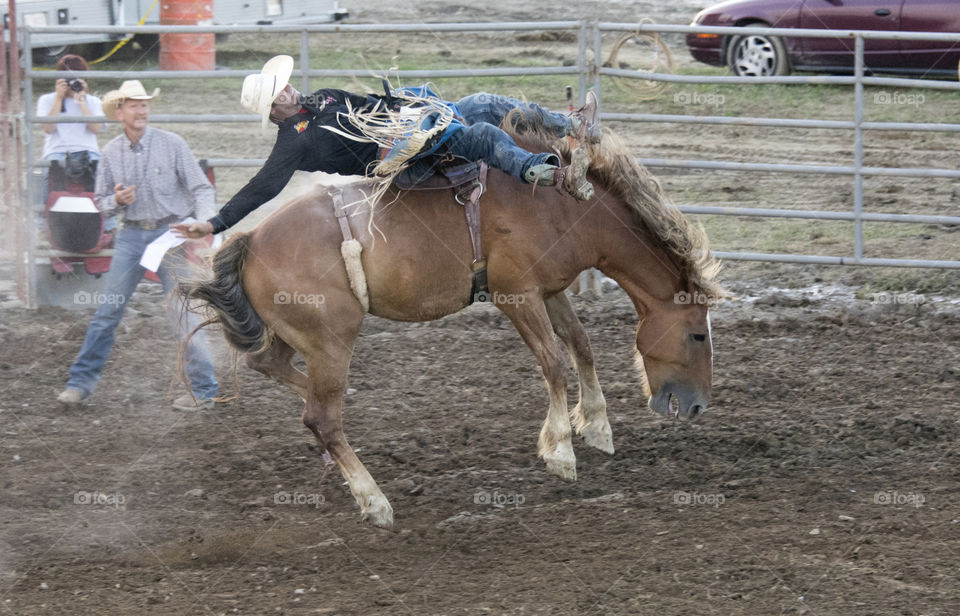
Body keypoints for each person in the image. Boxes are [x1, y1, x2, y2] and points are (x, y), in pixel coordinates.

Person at [173, 55, 599, 238]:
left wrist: (408, 105)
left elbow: (372, 105)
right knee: (483, 137)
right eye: (276, 93)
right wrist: (214, 224)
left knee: (483, 103)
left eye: (281, 84)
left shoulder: (322, 96)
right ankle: (554, 175)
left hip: (412, 127)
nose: (286, 90)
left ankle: (572, 125)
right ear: (272, 110)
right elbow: (261, 187)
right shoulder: (292, 145)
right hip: (397, 163)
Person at [57, 80, 220, 411]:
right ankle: (79, 384)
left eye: (145, 104)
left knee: (183, 313)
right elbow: (101, 203)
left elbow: (201, 188)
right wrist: (116, 199)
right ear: (120, 112)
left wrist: (205, 222)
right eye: (134, 104)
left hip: (170, 234)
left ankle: (204, 390)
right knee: (108, 312)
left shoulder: (172, 144)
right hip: (131, 236)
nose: (142, 110)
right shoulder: (110, 152)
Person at [36, 55, 106, 211]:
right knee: (46, 175)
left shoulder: (93, 101)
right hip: (57, 151)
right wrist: (59, 98)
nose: (71, 83)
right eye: (68, 78)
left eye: (76, 79)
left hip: (88, 151)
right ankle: (42, 222)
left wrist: (81, 100)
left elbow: (96, 129)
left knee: (102, 177)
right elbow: (48, 128)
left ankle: (108, 225)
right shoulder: (47, 100)